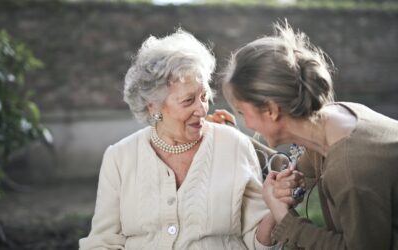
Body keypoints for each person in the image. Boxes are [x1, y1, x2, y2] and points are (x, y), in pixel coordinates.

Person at [79, 29, 302, 250]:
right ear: (153, 106)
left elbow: (256, 240)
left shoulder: (234, 145)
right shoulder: (120, 157)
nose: (202, 110)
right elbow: (102, 242)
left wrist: (276, 207)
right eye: (188, 101)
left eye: (204, 97)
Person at [222, 21, 398, 249]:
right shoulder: (335, 118)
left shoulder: (350, 170)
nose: (246, 123)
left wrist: (286, 221)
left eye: (242, 112)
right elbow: (305, 172)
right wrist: (286, 186)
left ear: (272, 110)